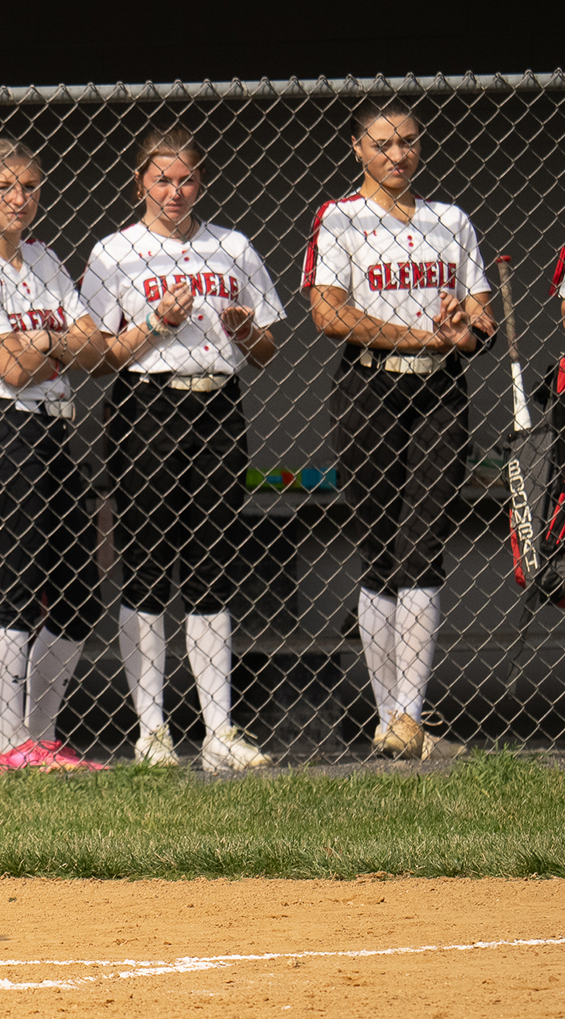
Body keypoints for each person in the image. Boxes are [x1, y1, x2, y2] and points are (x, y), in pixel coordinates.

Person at [81, 127, 281, 772]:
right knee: (145, 566)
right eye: (161, 179)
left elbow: (268, 350)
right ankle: (152, 731)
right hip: (147, 409)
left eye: (186, 178)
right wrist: (158, 323)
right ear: (139, 179)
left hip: (218, 406)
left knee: (213, 565)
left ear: (203, 180)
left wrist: (247, 329)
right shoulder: (116, 253)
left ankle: (219, 731)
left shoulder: (233, 246)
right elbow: (101, 357)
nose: (174, 191)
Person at [303, 101, 492, 760]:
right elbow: (329, 314)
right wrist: (421, 333)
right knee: (379, 548)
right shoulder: (341, 216)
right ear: (358, 147)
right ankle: (390, 719)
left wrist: (461, 327)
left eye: (408, 143)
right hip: (368, 387)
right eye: (382, 144)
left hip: (440, 390)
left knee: (424, 545)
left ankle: (409, 716)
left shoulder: (451, 221)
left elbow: (480, 319)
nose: (397, 156)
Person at [0, 138, 115, 771]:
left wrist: (45, 340)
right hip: (0, 433)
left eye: (31, 187)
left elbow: (100, 351)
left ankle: (40, 738)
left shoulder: (43, 258)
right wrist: (57, 339)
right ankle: (12, 746)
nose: (20, 199)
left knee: (78, 593)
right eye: (5, 187)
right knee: (13, 590)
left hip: (58, 432)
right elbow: (9, 369)